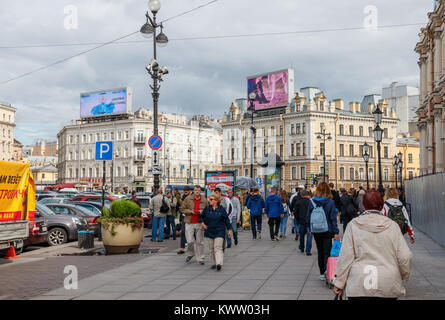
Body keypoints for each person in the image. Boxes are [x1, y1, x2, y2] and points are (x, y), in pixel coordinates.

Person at [333, 190, 413, 300]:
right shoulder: (392, 226)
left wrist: (339, 282)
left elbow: (345, 257)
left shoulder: (353, 225)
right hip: (387, 282)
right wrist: (403, 274)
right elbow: (405, 256)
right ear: (381, 206)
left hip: (359, 284)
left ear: (363, 205)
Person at [306, 182, 340, 281]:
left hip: (316, 230)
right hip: (328, 230)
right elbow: (333, 218)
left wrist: (310, 229)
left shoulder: (311, 201)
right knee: (328, 252)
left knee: (320, 251)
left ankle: (321, 273)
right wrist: (336, 232)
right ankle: (328, 271)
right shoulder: (330, 202)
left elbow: (308, 216)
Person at [200, 193, 233, 271]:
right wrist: (202, 224)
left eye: (211, 199)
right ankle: (213, 263)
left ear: (216, 201)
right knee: (211, 249)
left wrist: (229, 230)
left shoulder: (222, 210)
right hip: (209, 231)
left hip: (219, 231)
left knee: (218, 247)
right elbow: (201, 217)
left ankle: (219, 263)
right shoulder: (207, 208)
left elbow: (227, 220)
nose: (209, 201)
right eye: (209, 199)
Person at [180, 185, 208, 264]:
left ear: (200, 191)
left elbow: (207, 211)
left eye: (198, 190)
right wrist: (190, 211)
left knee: (200, 242)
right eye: (195, 190)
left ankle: (201, 258)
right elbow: (182, 209)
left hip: (199, 222)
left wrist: (201, 211)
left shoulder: (204, 200)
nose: (197, 192)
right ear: (194, 191)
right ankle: (191, 253)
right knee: (190, 241)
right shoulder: (188, 198)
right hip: (189, 222)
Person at [293, 190, 312, 255]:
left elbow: (295, 212)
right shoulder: (310, 202)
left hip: (301, 221)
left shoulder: (298, 202)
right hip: (309, 222)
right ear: (307, 195)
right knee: (309, 236)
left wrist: (298, 219)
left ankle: (301, 247)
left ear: (301, 195)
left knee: (301, 235)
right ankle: (308, 250)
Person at [177, 186, 190, 254]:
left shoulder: (191, 197)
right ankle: (182, 248)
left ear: (189, 191)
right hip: (184, 217)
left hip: (190, 217)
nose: (185, 193)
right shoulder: (183, 197)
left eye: (186, 192)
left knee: (192, 233)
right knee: (183, 232)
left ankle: (192, 247)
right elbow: (181, 208)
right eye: (184, 192)